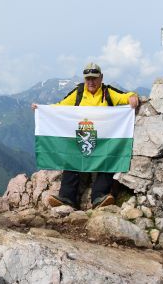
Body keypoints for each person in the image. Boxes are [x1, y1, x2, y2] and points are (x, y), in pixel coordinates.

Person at [31, 62, 139, 209]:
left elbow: (125, 96)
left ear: (101, 78)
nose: (91, 82)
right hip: (81, 140)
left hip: (103, 142)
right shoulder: (78, 93)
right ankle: (67, 198)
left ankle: (99, 197)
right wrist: (42, 110)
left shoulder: (108, 92)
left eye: (94, 78)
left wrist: (132, 96)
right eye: (88, 79)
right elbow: (60, 107)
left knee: (109, 159)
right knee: (71, 158)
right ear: (84, 79)